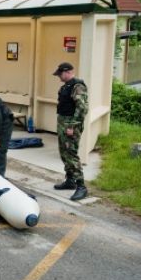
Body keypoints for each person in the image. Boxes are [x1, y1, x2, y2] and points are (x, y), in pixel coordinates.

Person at [52, 62, 89, 201]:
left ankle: (82, 187)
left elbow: (82, 108)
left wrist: (72, 126)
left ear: (67, 72)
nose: (59, 77)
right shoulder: (66, 86)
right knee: (64, 153)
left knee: (71, 154)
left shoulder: (78, 86)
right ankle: (70, 180)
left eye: (60, 74)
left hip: (70, 125)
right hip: (63, 123)